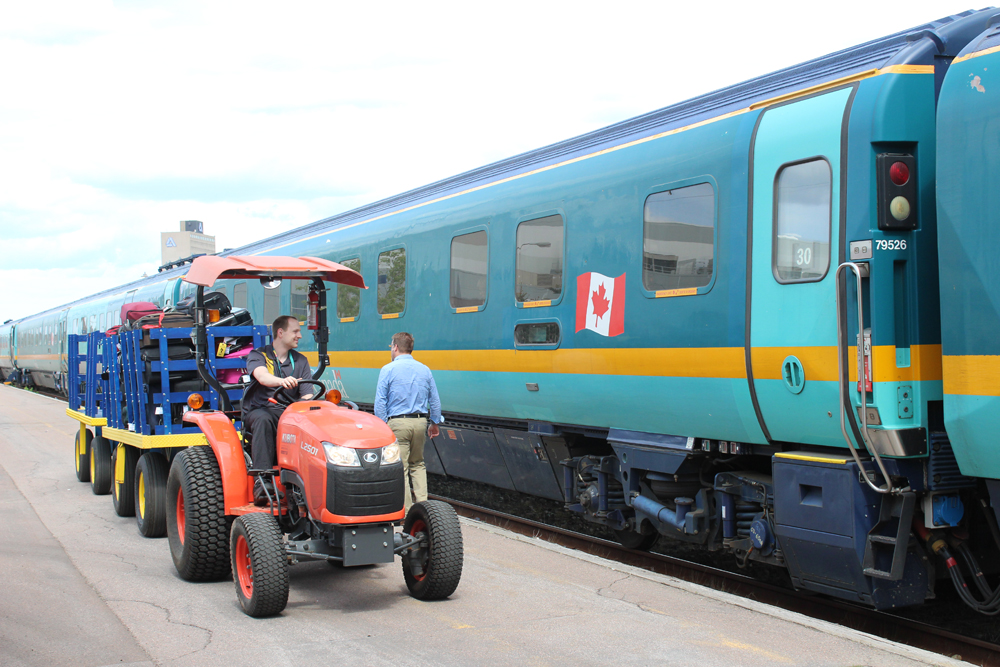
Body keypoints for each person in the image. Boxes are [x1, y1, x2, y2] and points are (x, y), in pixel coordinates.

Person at [243, 315, 315, 505]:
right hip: (260, 409)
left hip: (288, 413)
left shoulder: (301, 361)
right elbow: (262, 377)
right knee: (263, 419)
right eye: (296, 331)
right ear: (280, 333)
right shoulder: (259, 355)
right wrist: (282, 381)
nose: (299, 335)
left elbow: (307, 394)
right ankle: (262, 481)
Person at [375, 332, 442, 511]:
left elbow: (380, 402)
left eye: (391, 346)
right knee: (418, 464)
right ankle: (423, 508)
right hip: (420, 423)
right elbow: (434, 399)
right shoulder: (424, 369)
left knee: (401, 468)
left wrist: (382, 426)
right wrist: (434, 422)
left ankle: (406, 512)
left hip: (398, 423)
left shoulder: (388, 370)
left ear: (395, 347)